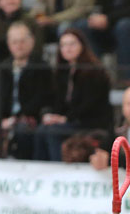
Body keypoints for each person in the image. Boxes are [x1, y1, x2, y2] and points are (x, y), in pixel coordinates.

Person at [0, 21, 55, 159]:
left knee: (22, 132)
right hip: (4, 120)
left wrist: (16, 119)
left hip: (29, 121)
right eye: (14, 42)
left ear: (32, 41)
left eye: (23, 41)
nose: (19, 45)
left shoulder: (42, 67)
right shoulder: (2, 68)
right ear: (9, 44)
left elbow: (43, 99)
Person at [33, 29, 112, 161]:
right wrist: (53, 116)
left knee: (54, 131)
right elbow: (57, 101)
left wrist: (65, 119)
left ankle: (59, 170)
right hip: (71, 121)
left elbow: (89, 105)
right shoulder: (62, 72)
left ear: (82, 45)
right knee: (42, 129)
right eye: (63, 45)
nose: (67, 49)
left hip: (90, 122)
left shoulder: (94, 72)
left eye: (72, 44)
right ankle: (42, 171)